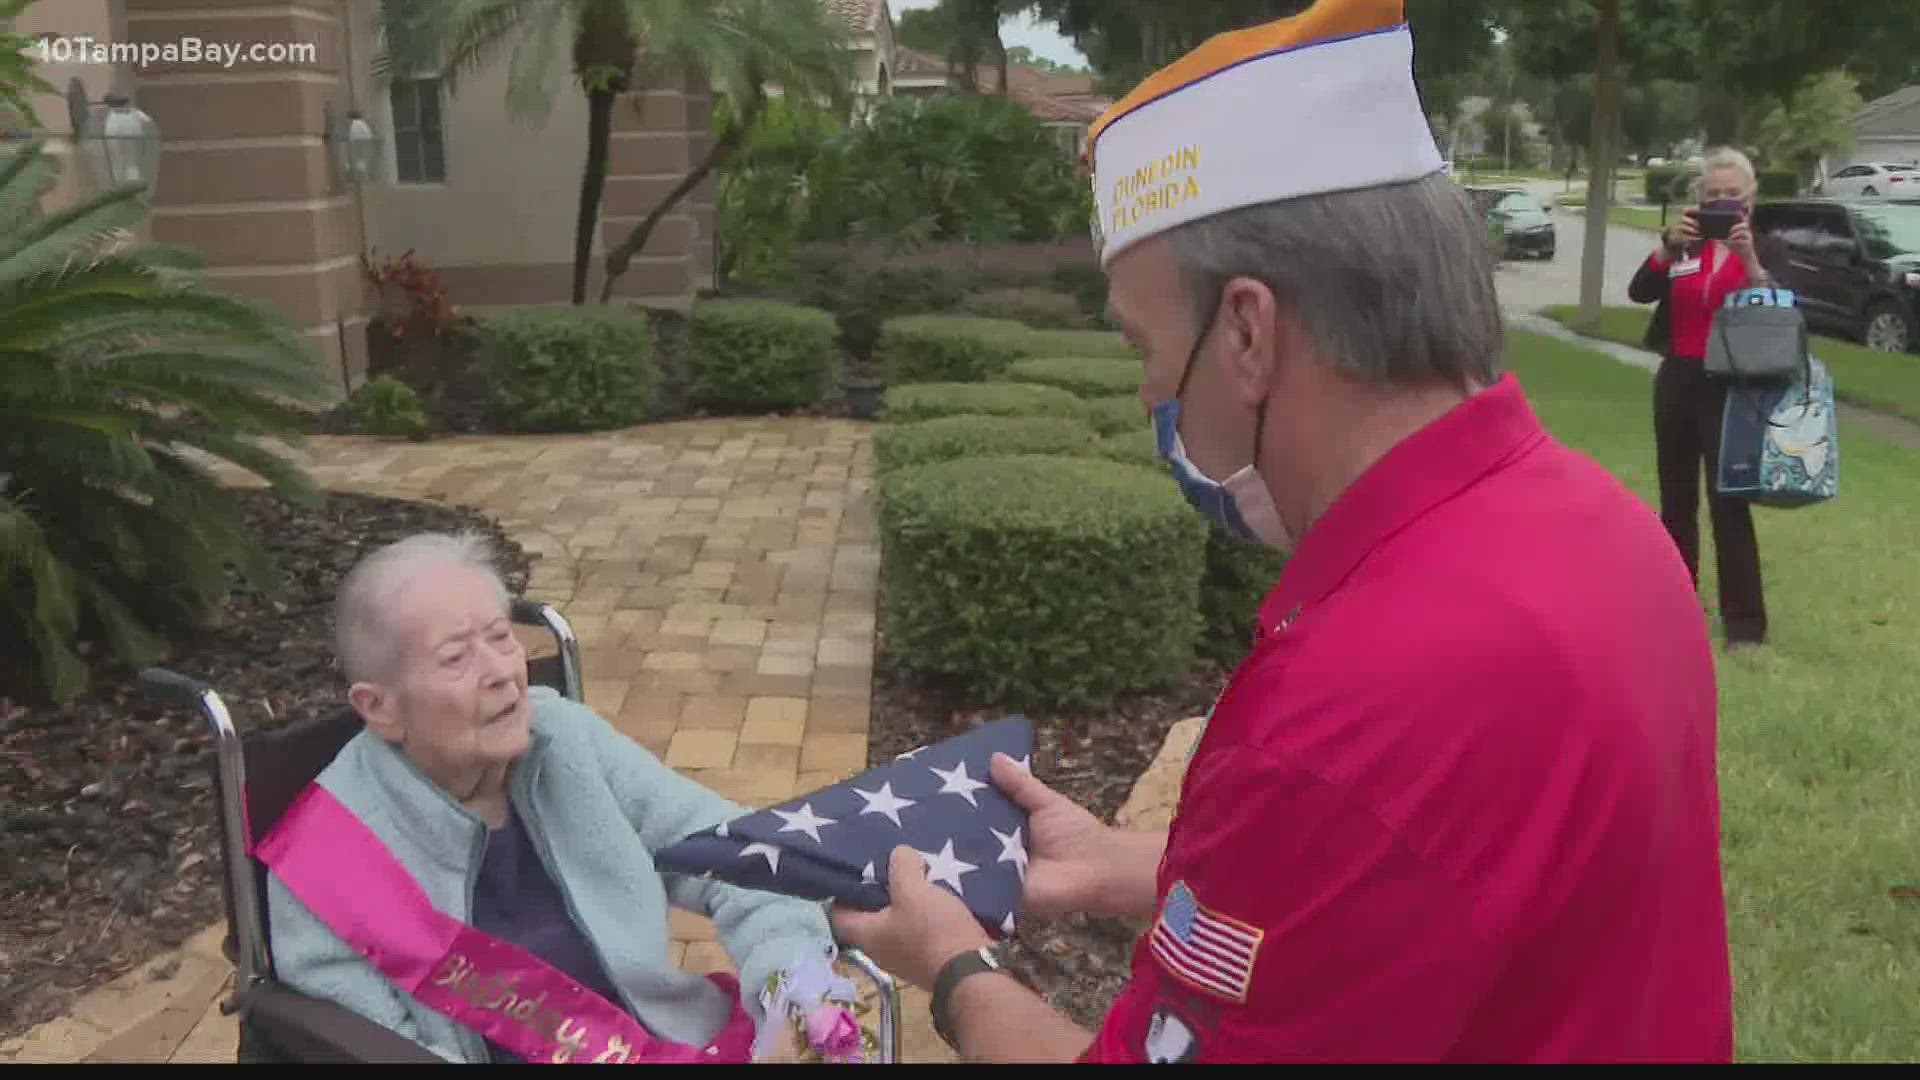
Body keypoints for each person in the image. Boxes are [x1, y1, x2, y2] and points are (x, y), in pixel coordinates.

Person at [831, 0, 1732, 1063]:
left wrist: (953, 967)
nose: (1147, 396)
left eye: (1145, 345)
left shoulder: (1348, 707)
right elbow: (1427, 896)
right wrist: (1142, 866)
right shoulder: (1610, 534)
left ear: (1249, 331)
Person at [262, 531, 856, 1064]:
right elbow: (383, 1050)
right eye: (456, 657)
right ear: (379, 707)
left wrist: (797, 1001)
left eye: (501, 638)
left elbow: (745, 862)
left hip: (668, 1043)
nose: (502, 672)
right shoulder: (323, 861)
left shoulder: (565, 739)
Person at [1629, 147, 1786, 649]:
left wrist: (1749, 260)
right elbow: (1639, 291)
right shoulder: (1685, 249)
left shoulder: (1762, 249)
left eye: (1731, 195)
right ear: (1699, 200)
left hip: (1732, 385)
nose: (1721, 202)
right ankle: (1676, 608)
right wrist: (1667, 246)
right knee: (1676, 503)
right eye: (1712, 194)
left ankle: (1744, 626)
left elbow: (1779, 306)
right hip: (1678, 378)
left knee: (1728, 505)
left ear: (1750, 201)